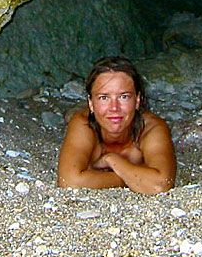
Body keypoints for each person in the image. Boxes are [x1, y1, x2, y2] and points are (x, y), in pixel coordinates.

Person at [57, 56, 176, 194]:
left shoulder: (151, 128)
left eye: (123, 97)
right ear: (91, 103)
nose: (114, 108)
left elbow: (161, 185)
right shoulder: (84, 124)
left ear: (137, 100)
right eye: (104, 97)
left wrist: (112, 160)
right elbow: (69, 182)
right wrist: (132, 179)